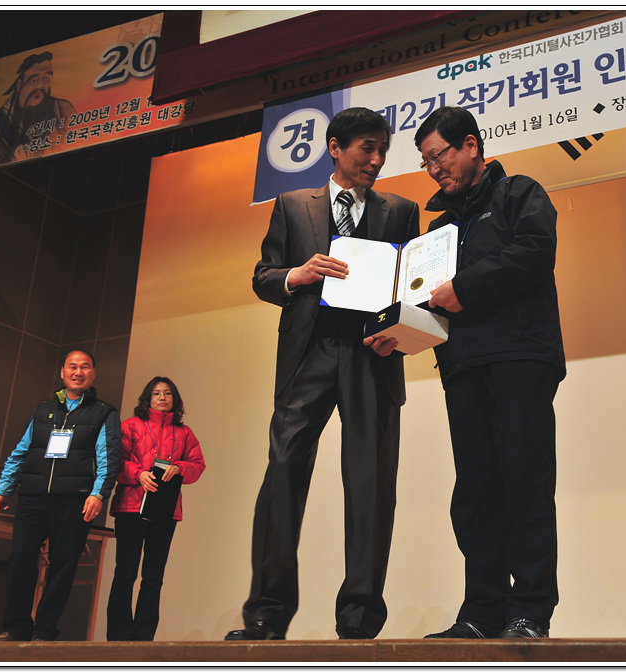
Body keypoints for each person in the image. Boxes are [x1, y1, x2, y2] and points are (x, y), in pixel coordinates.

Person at [226, 107, 420, 641]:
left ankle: (359, 619)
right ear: (335, 147)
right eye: (366, 148)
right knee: (282, 475)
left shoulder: (402, 211)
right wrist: (298, 273)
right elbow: (263, 277)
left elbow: (412, 285)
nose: (376, 160)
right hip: (306, 354)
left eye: (383, 150)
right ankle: (266, 615)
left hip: (372, 357)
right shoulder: (292, 205)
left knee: (371, 484)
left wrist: (403, 327)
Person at [414, 106, 566, 639]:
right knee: (475, 493)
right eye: (426, 162)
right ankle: (482, 611)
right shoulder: (437, 230)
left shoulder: (519, 192)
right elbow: (428, 300)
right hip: (462, 365)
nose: (435, 168)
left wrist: (465, 288)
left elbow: (535, 252)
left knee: (525, 481)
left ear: (471, 145)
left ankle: (530, 611)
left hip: (521, 357)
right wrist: (400, 329)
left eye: (440, 155)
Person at [0, 350, 122, 642]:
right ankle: (16, 627)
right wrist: (3, 488)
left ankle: (44, 631)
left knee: (62, 567)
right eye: (72, 366)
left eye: (85, 367)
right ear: (62, 372)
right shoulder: (43, 409)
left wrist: (98, 494)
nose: (78, 372)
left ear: (93, 374)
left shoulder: (104, 412)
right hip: (33, 497)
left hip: (74, 501)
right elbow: (21, 450)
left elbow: (109, 459)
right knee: (21, 559)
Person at [106, 376, 206, 641]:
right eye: (156, 393)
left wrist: (180, 468)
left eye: (168, 393)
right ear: (147, 399)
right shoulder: (131, 425)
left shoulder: (184, 433)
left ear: (175, 399)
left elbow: (198, 465)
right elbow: (116, 461)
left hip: (165, 510)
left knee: (153, 577)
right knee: (125, 573)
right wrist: (138, 474)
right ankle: (118, 635)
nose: (162, 397)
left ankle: (143, 637)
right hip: (130, 507)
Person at [0, 51, 76, 170]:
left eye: (46, 78)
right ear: (19, 85)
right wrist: (9, 159)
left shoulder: (61, 111)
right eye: (34, 80)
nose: (41, 86)